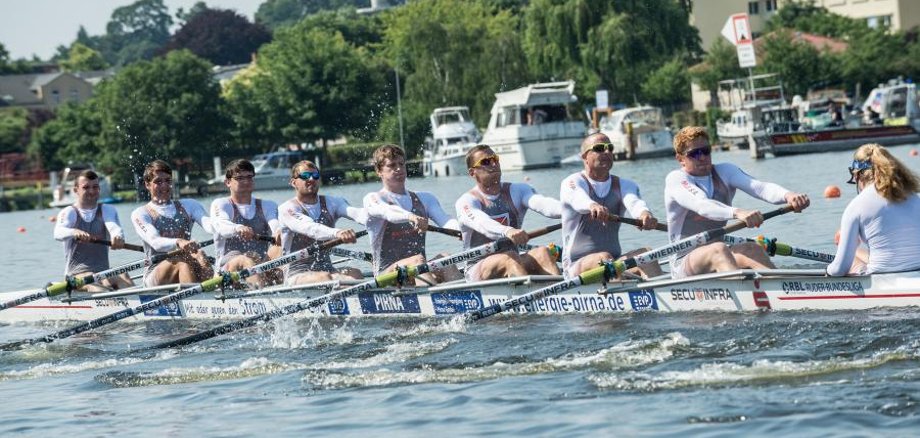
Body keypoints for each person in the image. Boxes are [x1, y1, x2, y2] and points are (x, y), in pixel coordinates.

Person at [664, 126, 810, 278]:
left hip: (720, 253)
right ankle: (742, 289)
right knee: (718, 249)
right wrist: (738, 212)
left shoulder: (725, 171)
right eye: (694, 153)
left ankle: (781, 287)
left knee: (753, 249)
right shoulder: (676, 179)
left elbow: (760, 187)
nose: (702, 157)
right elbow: (703, 205)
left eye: (706, 151)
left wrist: (789, 196)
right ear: (680, 159)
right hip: (684, 262)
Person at [560, 133, 663, 279]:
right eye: (599, 148)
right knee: (604, 259)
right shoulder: (572, 182)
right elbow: (578, 199)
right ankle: (622, 286)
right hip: (576, 266)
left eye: (610, 148)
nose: (607, 152)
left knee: (646, 255)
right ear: (584, 156)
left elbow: (634, 203)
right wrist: (592, 205)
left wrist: (644, 214)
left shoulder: (624, 185)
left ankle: (663, 290)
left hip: (614, 261)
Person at [456, 144, 562, 281]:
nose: (493, 164)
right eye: (486, 162)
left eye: (495, 159)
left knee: (543, 252)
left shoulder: (517, 190)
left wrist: (571, 211)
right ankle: (531, 292)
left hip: (514, 260)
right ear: (472, 172)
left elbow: (543, 204)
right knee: (509, 258)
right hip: (478, 268)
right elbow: (482, 223)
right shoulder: (466, 201)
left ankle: (561, 292)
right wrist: (507, 231)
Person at [363, 144, 462, 285]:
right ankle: (432, 295)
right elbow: (388, 212)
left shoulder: (425, 198)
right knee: (417, 260)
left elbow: (445, 221)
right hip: (386, 277)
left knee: (446, 259)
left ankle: (467, 295)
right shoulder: (373, 199)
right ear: (379, 171)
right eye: (392, 165)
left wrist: (461, 230)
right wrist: (410, 216)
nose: (398, 169)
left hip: (418, 270)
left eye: (401, 164)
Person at [827, 144, 920, 276]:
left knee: (845, 259)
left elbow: (838, 270)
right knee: (858, 253)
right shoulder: (916, 197)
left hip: (881, 278)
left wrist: (828, 271)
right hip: (916, 271)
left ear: (857, 175)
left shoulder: (856, 205)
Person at [278, 160, 366, 285]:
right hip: (296, 274)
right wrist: (338, 233)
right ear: (293, 182)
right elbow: (310, 228)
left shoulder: (333, 202)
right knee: (324, 277)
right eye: (305, 176)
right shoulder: (287, 209)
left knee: (355, 273)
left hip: (327, 269)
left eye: (315, 176)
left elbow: (357, 213)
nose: (311, 179)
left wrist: (380, 218)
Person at [132, 160, 215, 286]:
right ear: (147, 184)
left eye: (168, 181)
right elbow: (155, 242)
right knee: (182, 263)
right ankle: (196, 296)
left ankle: (213, 292)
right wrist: (179, 241)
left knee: (201, 255)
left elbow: (210, 225)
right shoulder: (141, 213)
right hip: (155, 272)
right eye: (158, 182)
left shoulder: (190, 205)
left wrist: (231, 228)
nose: (164, 185)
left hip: (186, 262)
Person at [53, 170, 134, 292]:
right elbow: (58, 233)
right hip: (76, 276)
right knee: (93, 279)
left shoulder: (107, 209)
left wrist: (118, 237)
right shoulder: (70, 212)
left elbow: (114, 227)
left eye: (95, 187)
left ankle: (144, 301)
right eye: (86, 187)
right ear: (76, 190)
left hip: (102, 272)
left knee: (124, 275)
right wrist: (73, 232)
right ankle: (109, 296)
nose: (91, 191)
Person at [210, 159, 281, 288]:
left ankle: (293, 285)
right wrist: (238, 228)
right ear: (228, 182)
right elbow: (221, 226)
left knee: (280, 249)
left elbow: (274, 222)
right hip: (226, 270)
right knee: (245, 260)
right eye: (240, 178)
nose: (246, 181)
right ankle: (260, 294)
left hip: (259, 263)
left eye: (249, 177)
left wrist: (278, 231)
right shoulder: (221, 204)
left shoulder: (268, 205)